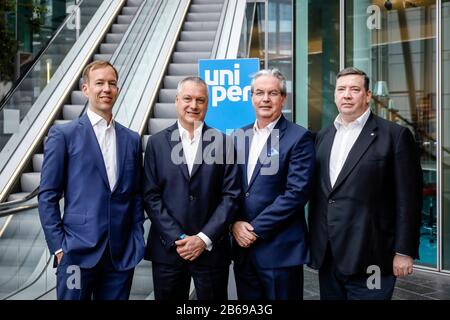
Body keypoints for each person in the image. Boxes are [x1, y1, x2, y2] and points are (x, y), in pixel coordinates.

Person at [308, 67, 422, 300]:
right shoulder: (323, 136)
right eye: (341, 89)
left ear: (368, 95)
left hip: (373, 256)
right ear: (335, 95)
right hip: (329, 256)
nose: (347, 95)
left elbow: (408, 199)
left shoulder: (395, 136)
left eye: (354, 89)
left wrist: (404, 251)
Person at [38, 60, 145, 300]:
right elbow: (47, 196)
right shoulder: (63, 135)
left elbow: (136, 194)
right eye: (99, 83)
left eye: (112, 83)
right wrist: (59, 248)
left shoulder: (132, 140)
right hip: (75, 254)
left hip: (120, 257)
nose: (106, 89)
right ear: (86, 89)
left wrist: (137, 236)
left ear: (118, 89)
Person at [143, 76, 240, 300]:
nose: (193, 105)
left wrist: (203, 239)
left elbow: (231, 196)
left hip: (210, 250)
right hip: (168, 249)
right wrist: (178, 237)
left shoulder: (224, 142)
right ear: (177, 100)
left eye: (200, 100)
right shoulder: (156, 143)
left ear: (208, 104)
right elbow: (150, 195)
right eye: (187, 98)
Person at [231, 69, 315, 300]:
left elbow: (296, 194)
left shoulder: (299, 137)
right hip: (243, 250)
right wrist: (234, 224)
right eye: (259, 93)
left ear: (283, 98)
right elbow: (230, 188)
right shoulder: (238, 136)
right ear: (251, 97)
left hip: (280, 251)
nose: (265, 99)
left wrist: (254, 229)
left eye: (272, 93)